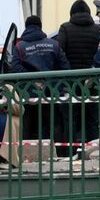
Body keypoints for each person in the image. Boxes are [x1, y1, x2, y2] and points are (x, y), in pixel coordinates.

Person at [54, 0, 100, 158]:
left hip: (70, 82)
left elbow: (59, 52)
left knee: (70, 119)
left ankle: (70, 153)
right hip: (92, 82)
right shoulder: (97, 30)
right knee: (92, 120)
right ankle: (93, 153)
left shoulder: (65, 28)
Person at [13, 14, 67, 149]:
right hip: (51, 92)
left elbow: (15, 67)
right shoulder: (54, 44)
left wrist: (31, 79)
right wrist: (51, 82)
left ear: (26, 28)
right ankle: (57, 153)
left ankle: (27, 154)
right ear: (40, 27)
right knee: (53, 124)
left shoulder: (20, 47)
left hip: (28, 93)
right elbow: (65, 67)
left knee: (28, 124)